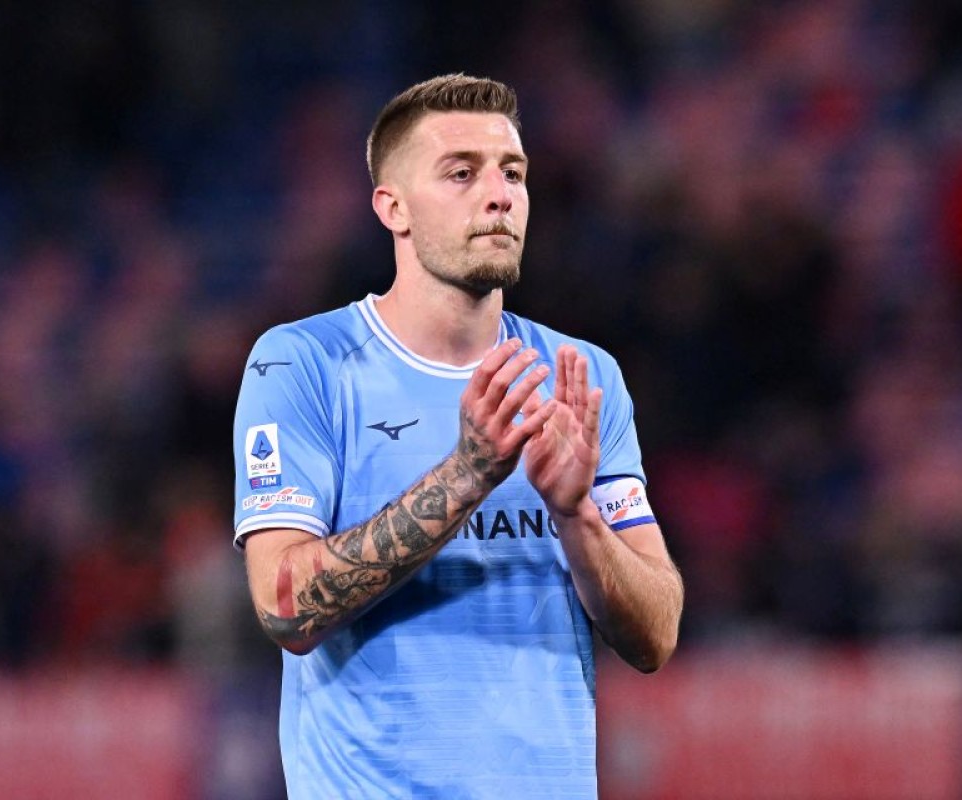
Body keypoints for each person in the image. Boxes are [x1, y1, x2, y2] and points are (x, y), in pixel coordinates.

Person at [233, 73, 683, 799]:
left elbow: (656, 634)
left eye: (513, 172)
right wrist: (468, 473)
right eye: (462, 173)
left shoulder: (579, 374)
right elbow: (286, 610)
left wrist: (577, 517)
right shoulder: (302, 363)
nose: (499, 194)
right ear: (394, 208)